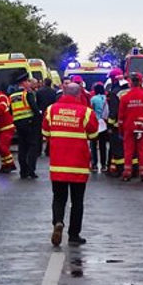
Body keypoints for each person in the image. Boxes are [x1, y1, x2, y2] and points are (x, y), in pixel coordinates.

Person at [43, 83, 99, 246]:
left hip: (58, 163)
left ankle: (58, 221)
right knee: (77, 201)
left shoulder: (51, 110)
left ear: (63, 93)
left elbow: (46, 132)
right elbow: (94, 134)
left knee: (59, 197)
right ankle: (74, 235)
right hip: (78, 164)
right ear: (79, 94)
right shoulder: (86, 112)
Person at [118, 73, 143, 182]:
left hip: (128, 127)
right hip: (142, 127)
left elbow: (121, 117)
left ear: (130, 83)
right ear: (140, 82)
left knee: (128, 151)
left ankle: (127, 173)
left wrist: (121, 130)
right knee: (142, 151)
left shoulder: (125, 98)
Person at [10, 73, 41, 179]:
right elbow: (34, 108)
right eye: (28, 81)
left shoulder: (12, 95)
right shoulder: (27, 94)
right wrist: (39, 119)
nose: (29, 83)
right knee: (33, 147)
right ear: (23, 83)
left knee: (22, 148)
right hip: (30, 123)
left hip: (18, 124)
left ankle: (23, 171)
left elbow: (11, 111)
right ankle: (31, 170)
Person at [106, 68, 128, 176]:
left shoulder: (115, 92)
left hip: (117, 126)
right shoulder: (130, 90)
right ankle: (133, 169)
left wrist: (109, 125)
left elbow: (113, 111)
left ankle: (119, 169)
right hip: (131, 125)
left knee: (117, 148)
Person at [89, 83, 109, 173]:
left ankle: (94, 164)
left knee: (93, 145)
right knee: (103, 145)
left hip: (95, 123)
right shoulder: (106, 99)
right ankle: (104, 164)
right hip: (104, 123)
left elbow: (91, 110)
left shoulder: (93, 99)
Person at [36, 78, 58, 156]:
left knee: (39, 133)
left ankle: (38, 150)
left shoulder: (39, 92)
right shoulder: (54, 92)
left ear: (44, 83)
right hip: (51, 113)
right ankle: (48, 150)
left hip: (41, 114)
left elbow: (37, 103)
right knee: (50, 132)